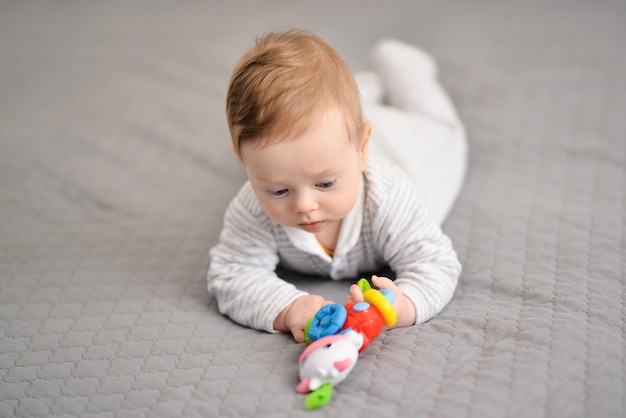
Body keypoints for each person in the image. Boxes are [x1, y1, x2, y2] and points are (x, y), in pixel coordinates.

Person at [208, 29, 467, 343]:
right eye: (279, 190)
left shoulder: (390, 198)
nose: (304, 205)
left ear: (361, 150)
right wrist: (287, 307)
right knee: (336, 121)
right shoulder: (252, 209)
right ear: (244, 162)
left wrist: (405, 304)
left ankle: (401, 70)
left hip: (412, 149)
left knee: (443, 126)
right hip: (341, 140)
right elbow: (232, 273)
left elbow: (435, 263)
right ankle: (364, 93)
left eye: (325, 183)